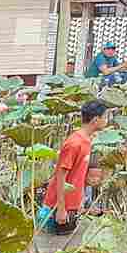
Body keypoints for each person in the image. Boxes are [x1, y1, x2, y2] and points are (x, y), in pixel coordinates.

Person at [40, 100, 108, 236]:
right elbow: (60, 175)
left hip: (71, 206)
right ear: (95, 119)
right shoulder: (74, 143)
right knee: (56, 246)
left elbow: (78, 175)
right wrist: (60, 208)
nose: (106, 121)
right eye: (105, 117)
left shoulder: (86, 141)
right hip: (59, 208)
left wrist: (80, 201)